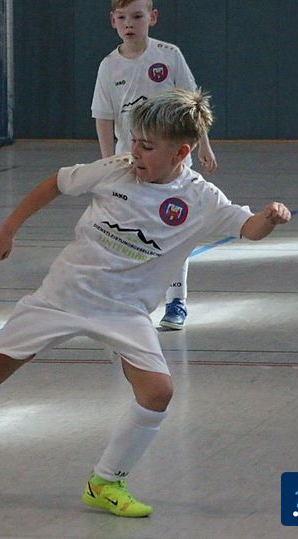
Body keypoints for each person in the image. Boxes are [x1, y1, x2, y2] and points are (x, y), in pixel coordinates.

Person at [0, 89, 290, 518]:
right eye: (134, 140)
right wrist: (8, 228)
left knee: (158, 392)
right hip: (60, 297)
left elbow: (248, 227)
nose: (135, 152)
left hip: (124, 312)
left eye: (147, 146)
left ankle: (105, 482)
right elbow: (55, 183)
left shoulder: (201, 199)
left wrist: (269, 217)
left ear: (181, 153)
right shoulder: (114, 170)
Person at [92, 0, 217, 330]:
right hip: (131, 163)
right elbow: (103, 117)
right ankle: (126, 299)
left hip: (173, 163)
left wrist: (204, 144)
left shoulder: (169, 55)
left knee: (175, 228)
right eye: (122, 17)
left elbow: (193, 105)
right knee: (130, 232)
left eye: (137, 16)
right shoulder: (109, 66)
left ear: (153, 17)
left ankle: (176, 301)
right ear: (113, 21)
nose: (129, 24)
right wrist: (107, 162)